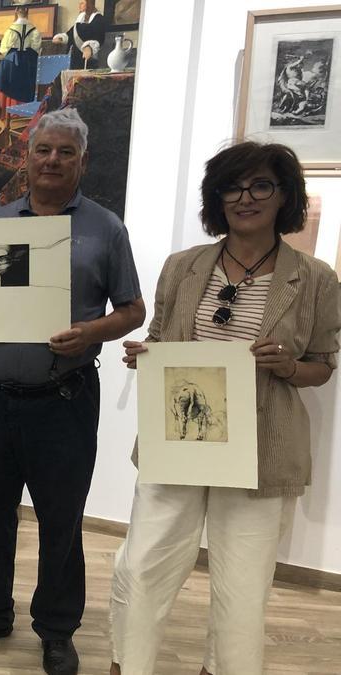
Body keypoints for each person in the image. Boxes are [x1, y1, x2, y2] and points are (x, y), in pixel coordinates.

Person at [110, 142, 339, 675]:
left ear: (285, 196)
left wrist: (287, 366)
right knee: (143, 567)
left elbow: (323, 365)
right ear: (218, 198)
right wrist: (145, 356)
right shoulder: (183, 266)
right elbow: (163, 340)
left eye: (261, 185)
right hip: (180, 441)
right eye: (233, 187)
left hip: (263, 451)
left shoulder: (316, 278)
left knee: (241, 589)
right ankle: (128, 665)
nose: (245, 197)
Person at [0, 108, 145, 675]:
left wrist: (91, 332)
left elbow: (133, 309)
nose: (52, 160)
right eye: (43, 150)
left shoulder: (106, 228)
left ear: (82, 161)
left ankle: (56, 629)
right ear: (26, 158)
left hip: (63, 399)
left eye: (65, 152)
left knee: (61, 518)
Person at [0, 6, 43, 115]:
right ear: (27, 11)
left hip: (12, 64)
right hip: (28, 64)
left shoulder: (11, 30)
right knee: (27, 86)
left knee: (5, 84)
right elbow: (36, 48)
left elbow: (3, 49)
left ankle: (7, 114)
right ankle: (23, 115)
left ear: (16, 11)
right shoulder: (34, 30)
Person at [53, 0, 107, 70]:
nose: (79, 6)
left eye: (82, 3)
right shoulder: (80, 19)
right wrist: (62, 38)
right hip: (74, 58)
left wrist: (89, 47)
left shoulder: (98, 19)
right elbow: (71, 33)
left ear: (89, 4)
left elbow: (98, 37)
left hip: (87, 59)